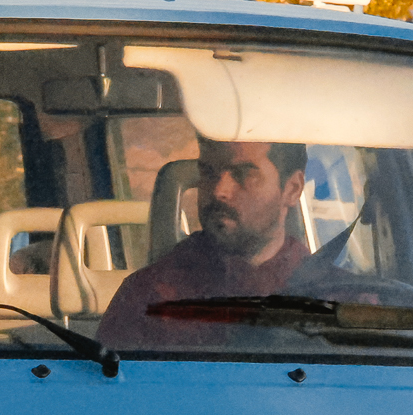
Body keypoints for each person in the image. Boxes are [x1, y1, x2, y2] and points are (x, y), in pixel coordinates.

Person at [97, 138, 313, 349]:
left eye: (243, 174)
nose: (219, 191)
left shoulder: (324, 294)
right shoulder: (149, 295)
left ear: (292, 189)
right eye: (208, 173)